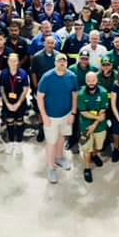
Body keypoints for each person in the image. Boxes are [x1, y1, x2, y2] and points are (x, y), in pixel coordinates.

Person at [37, 53, 80, 183]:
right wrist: (44, 116)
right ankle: (51, 167)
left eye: (64, 61)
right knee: (51, 142)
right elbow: (40, 97)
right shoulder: (47, 77)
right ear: (55, 63)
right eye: (59, 61)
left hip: (66, 115)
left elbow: (74, 96)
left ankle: (59, 158)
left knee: (62, 137)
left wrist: (73, 113)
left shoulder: (72, 76)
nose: (62, 63)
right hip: (51, 117)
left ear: (66, 63)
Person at [76, 71, 111, 183]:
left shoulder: (104, 92)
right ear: (85, 81)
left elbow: (102, 110)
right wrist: (96, 119)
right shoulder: (81, 94)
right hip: (86, 126)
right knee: (87, 149)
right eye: (89, 81)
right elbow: (83, 112)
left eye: (93, 80)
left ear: (97, 80)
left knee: (98, 146)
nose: (91, 83)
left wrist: (95, 125)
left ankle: (95, 156)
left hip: (100, 126)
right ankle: (87, 168)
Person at [0, 53, 31, 144]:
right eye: (11, 60)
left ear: (18, 62)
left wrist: (18, 104)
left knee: (19, 120)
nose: (13, 62)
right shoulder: (3, 73)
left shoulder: (23, 73)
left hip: (20, 101)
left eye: (15, 60)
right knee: (10, 120)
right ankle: (11, 140)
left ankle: (19, 141)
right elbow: (1, 89)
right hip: (7, 102)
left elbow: (25, 89)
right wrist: (7, 103)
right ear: (8, 62)